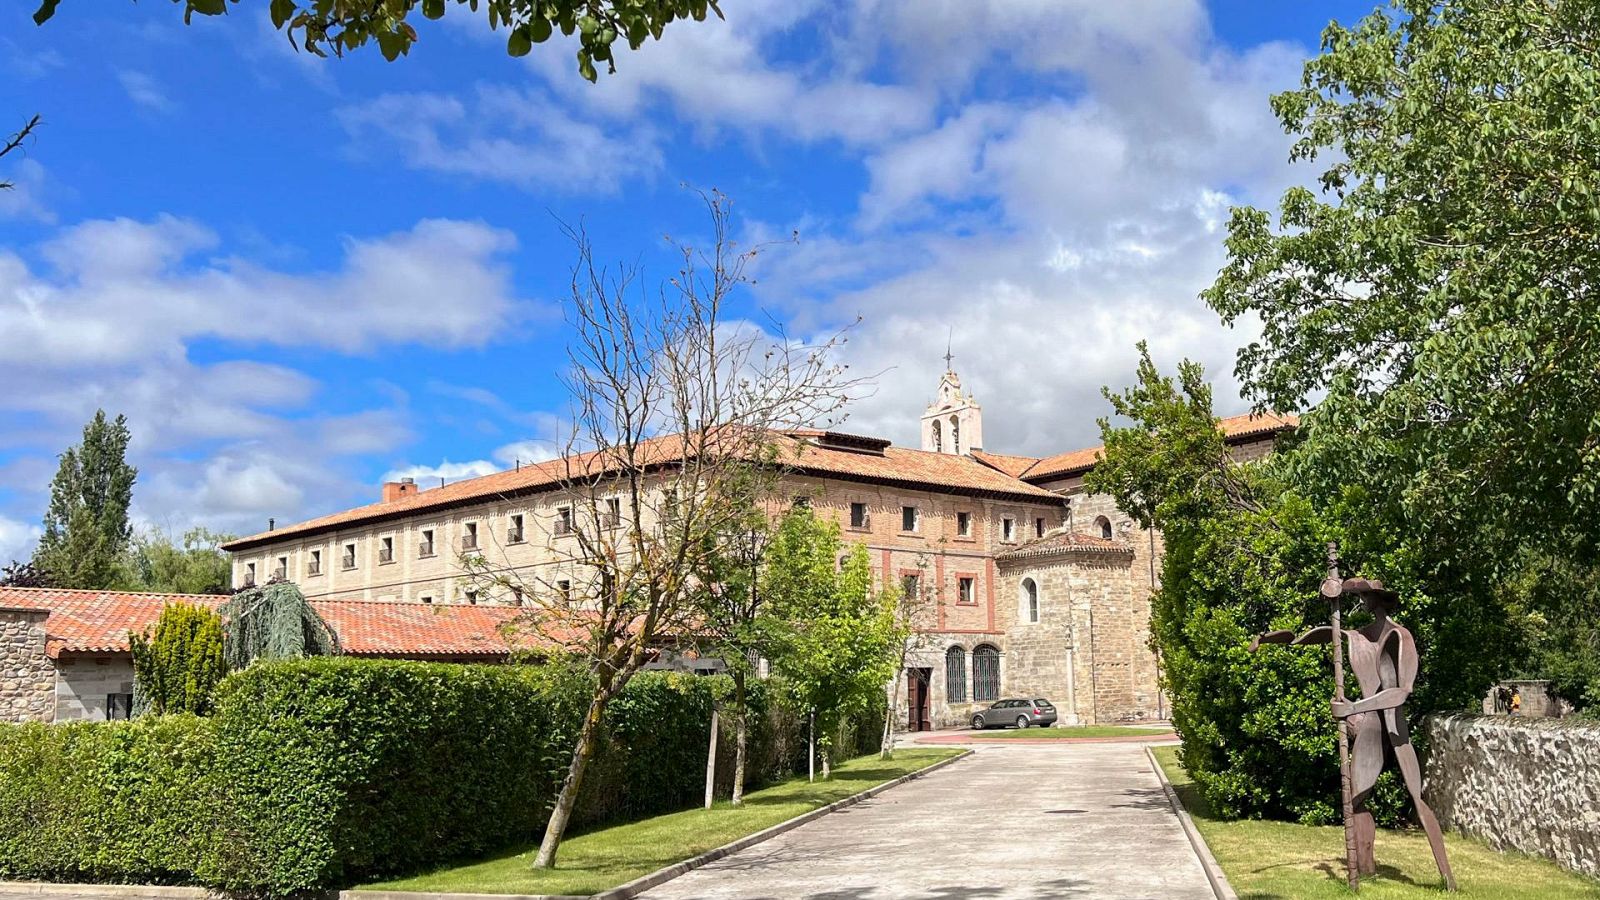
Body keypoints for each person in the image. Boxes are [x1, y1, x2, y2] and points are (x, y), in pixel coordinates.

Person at [1250, 578, 1455, 890]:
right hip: (1369, 727)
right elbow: (1315, 636)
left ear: (1379, 599)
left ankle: (1448, 879)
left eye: (1364, 596)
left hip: (1394, 728)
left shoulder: (1399, 636)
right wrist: (1270, 639)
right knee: (1357, 800)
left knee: (1417, 797)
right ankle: (1365, 869)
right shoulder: (1357, 636)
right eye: (1357, 595)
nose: (1360, 601)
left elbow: (1400, 693)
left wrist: (1352, 708)